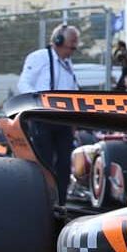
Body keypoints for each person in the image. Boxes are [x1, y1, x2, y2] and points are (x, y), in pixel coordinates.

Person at [16, 23, 81, 197]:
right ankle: (43, 196)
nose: (71, 52)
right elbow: (23, 83)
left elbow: (73, 90)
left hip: (63, 120)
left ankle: (60, 199)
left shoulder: (67, 63)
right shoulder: (39, 58)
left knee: (64, 163)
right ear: (58, 41)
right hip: (43, 118)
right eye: (70, 47)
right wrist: (39, 101)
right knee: (44, 160)